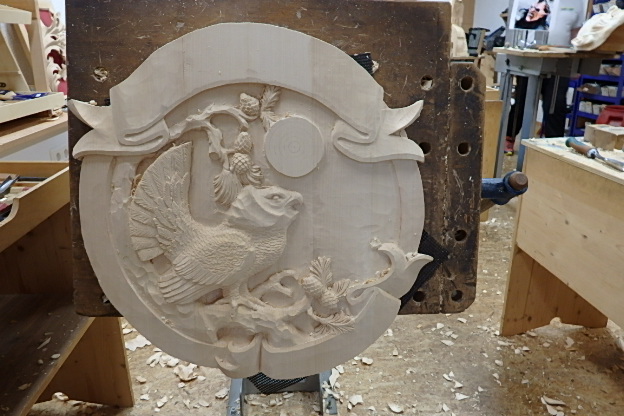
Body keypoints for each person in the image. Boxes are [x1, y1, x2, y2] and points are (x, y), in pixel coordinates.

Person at [505, 0, 587, 155]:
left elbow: (576, 32)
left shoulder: (576, 2)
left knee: (556, 105)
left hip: (560, 60)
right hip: (529, 58)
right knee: (522, 100)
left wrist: (577, 60)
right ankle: (508, 137)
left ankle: (553, 146)